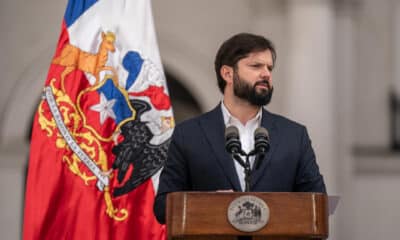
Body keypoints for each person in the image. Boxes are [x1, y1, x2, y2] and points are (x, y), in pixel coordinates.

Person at [153, 33, 326, 224]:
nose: (266, 74)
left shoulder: (294, 135)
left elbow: (317, 205)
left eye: (269, 67)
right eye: (256, 66)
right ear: (227, 73)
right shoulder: (189, 134)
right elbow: (162, 208)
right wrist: (210, 204)